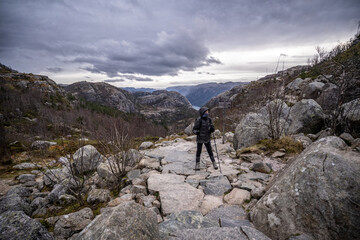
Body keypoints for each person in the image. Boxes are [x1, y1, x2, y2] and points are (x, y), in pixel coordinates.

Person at [192, 106, 218, 171]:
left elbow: (212, 128)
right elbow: (194, 130)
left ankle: (214, 163)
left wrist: (212, 129)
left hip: (207, 138)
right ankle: (197, 164)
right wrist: (197, 132)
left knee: (210, 151)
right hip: (200, 138)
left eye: (207, 111)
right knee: (199, 151)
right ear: (203, 112)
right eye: (206, 111)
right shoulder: (199, 120)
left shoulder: (209, 119)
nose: (207, 113)